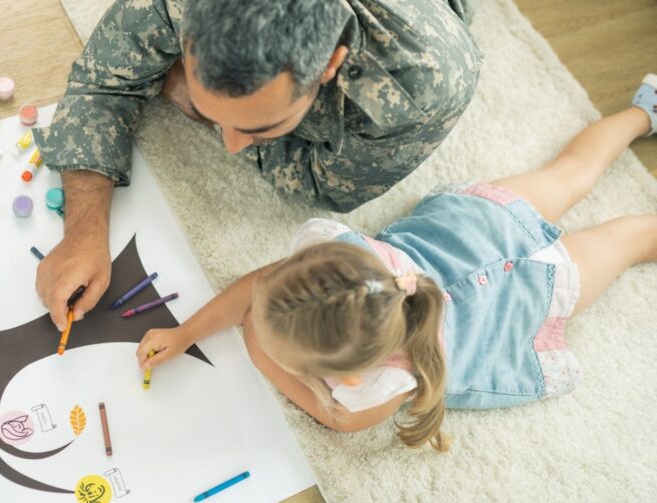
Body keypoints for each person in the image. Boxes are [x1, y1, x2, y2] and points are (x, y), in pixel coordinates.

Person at [136, 77, 657, 451]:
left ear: (352, 377)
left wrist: (256, 348)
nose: (251, 313)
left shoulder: (387, 384)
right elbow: (261, 286)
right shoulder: (335, 255)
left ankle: (644, 114)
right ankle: (644, 111)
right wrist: (186, 333)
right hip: (479, 224)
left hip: (529, 297)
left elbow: (335, 418)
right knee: (576, 174)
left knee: (631, 237)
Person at [33, 0, 493, 332]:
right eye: (209, 109)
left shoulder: (422, 87)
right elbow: (103, 79)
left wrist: (179, 91)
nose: (230, 146)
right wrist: (84, 232)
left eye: (258, 127)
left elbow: (323, 187)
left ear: (330, 64)